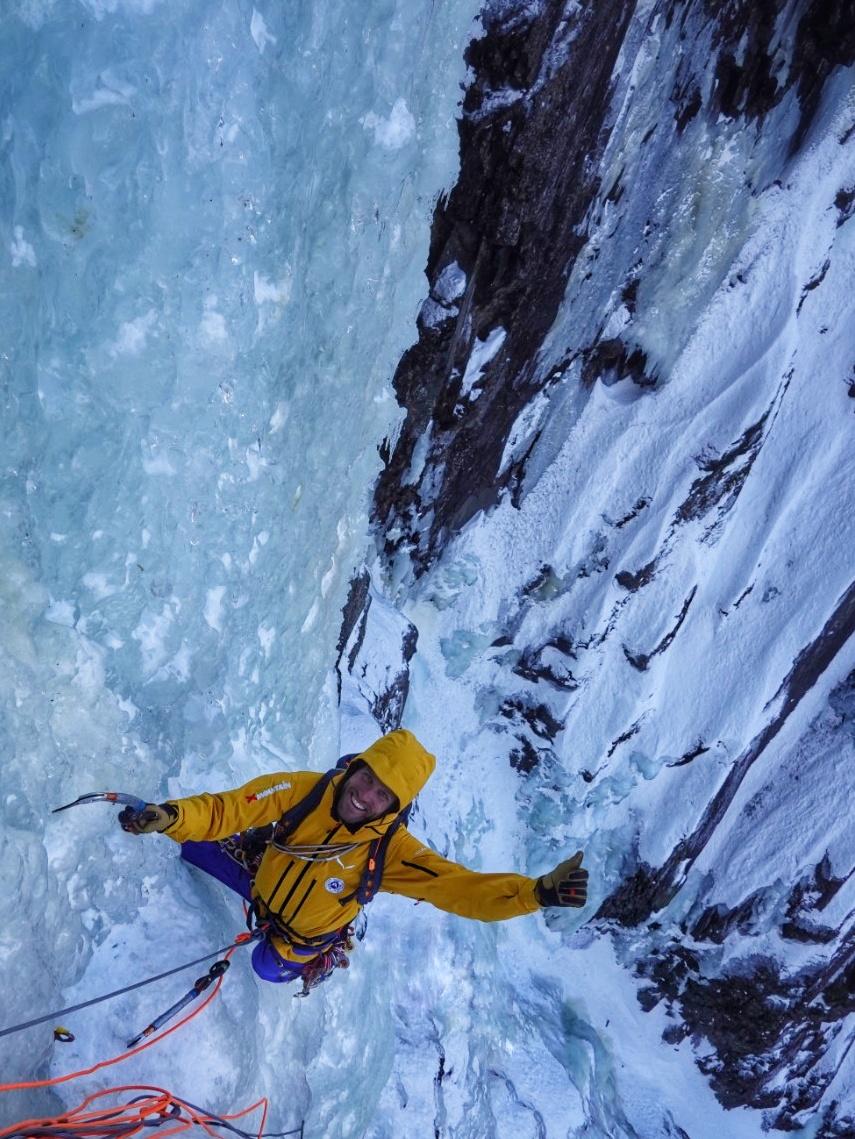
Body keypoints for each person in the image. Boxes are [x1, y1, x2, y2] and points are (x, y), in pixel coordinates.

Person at [120, 729, 589, 989]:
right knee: (190, 842)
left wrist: (535, 894)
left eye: (382, 795)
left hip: (302, 936)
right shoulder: (307, 790)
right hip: (262, 892)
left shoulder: (391, 852)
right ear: (356, 766)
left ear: (394, 808)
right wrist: (172, 816)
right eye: (366, 779)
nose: (364, 797)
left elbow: (460, 889)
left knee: (265, 968)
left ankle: (319, 957)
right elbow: (234, 808)